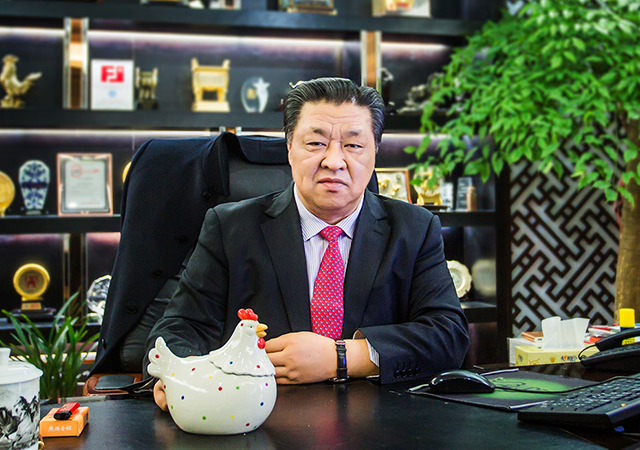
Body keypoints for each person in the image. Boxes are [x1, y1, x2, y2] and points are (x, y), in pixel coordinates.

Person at [146, 77, 469, 410]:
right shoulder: (230, 228)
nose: (334, 161)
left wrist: (342, 357)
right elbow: (179, 329)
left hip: (382, 419)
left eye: (353, 145)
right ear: (289, 148)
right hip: (259, 416)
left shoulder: (414, 229)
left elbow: (448, 336)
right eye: (316, 143)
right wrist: (182, 375)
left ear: (375, 152)